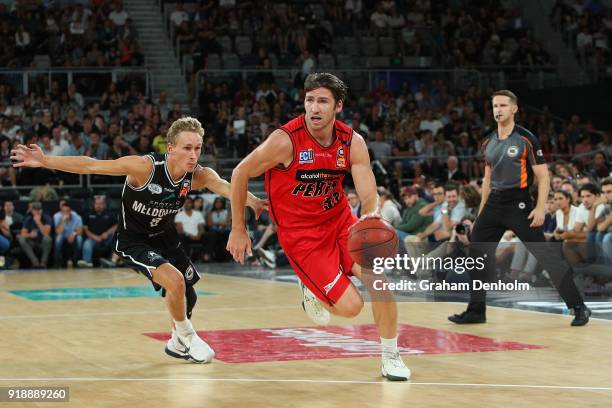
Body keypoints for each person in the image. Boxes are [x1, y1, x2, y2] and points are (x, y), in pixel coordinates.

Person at [12, 116, 266, 363]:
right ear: (170, 148)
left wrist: (253, 201)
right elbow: (91, 164)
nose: (193, 155)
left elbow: (226, 186)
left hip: (164, 237)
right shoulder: (143, 168)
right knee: (175, 282)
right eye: (187, 148)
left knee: (190, 295)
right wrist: (45, 161)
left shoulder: (199, 175)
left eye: (197, 148)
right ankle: (187, 336)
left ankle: (176, 342)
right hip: (133, 240)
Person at [227, 73, 410, 381]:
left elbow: (368, 193)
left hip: (339, 221)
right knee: (351, 307)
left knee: (380, 281)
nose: (314, 107)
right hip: (302, 236)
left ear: (338, 106)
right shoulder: (284, 141)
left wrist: (371, 215)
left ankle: (391, 354)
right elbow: (240, 172)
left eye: (322, 101)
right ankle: (311, 289)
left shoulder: (352, 142)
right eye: (309, 100)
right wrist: (238, 228)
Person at [448, 90, 590, 326]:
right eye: (495, 106)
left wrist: (541, 207)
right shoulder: (488, 141)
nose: (498, 110)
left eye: (503, 105)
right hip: (494, 203)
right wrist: (481, 213)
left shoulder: (526, 139)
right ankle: (476, 310)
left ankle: (578, 306)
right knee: (477, 253)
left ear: (514, 109)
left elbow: (544, 177)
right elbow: (486, 179)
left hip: (519, 203)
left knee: (544, 255)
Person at [78, 195, 117, 268]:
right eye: (97, 204)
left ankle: (112, 261)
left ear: (104, 205)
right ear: (94, 204)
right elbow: (85, 230)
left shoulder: (110, 214)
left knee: (117, 238)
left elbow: (116, 226)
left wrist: (107, 233)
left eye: (101, 204)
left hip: (107, 238)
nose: (98, 206)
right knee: (87, 243)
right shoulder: (88, 214)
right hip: (93, 238)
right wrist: (95, 237)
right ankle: (87, 262)